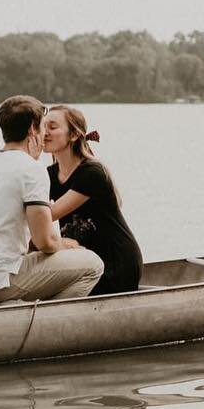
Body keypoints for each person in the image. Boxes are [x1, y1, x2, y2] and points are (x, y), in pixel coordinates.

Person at [0, 96, 104, 306]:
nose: (44, 134)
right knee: (93, 264)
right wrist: (65, 244)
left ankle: (15, 306)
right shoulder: (31, 169)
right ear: (32, 130)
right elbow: (46, 243)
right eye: (42, 127)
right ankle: (47, 322)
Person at [42, 104, 144, 295]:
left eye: (53, 127)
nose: (44, 133)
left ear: (73, 135)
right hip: (82, 263)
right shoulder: (49, 175)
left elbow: (47, 215)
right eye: (42, 126)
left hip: (115, 264)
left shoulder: (92, 173)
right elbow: (31, 213)